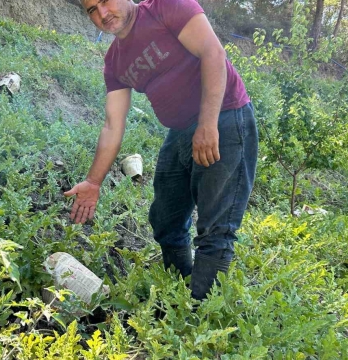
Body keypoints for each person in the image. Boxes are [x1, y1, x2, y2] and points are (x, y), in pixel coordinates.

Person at [64, 0, 258, 301]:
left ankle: (198, 317)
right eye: (91, 9)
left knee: (216, 229)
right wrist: (93, 182)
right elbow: (112, 126)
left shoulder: (166, 7)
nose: (101, 14)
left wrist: (208, 124)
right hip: (179, 130)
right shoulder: (114, 62)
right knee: (166, 221)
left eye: (104, 1)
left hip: (226, 116)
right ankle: (179, 294)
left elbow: (213, 53)